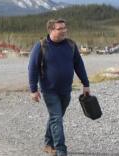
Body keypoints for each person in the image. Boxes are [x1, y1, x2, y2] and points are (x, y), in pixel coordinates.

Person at [28, 18, 90, 156]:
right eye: (60, 29)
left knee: (56, 117)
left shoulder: (70, 45)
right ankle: (61, 150)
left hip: (66, 89)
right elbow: (32, 68)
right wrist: (33, 89)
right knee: (56, 117)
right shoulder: (41, 46)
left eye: (65, 28)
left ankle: (48, 143)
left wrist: (86, 84)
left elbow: (79, 65)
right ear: (50, 30)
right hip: (49, 90)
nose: (64, 31)